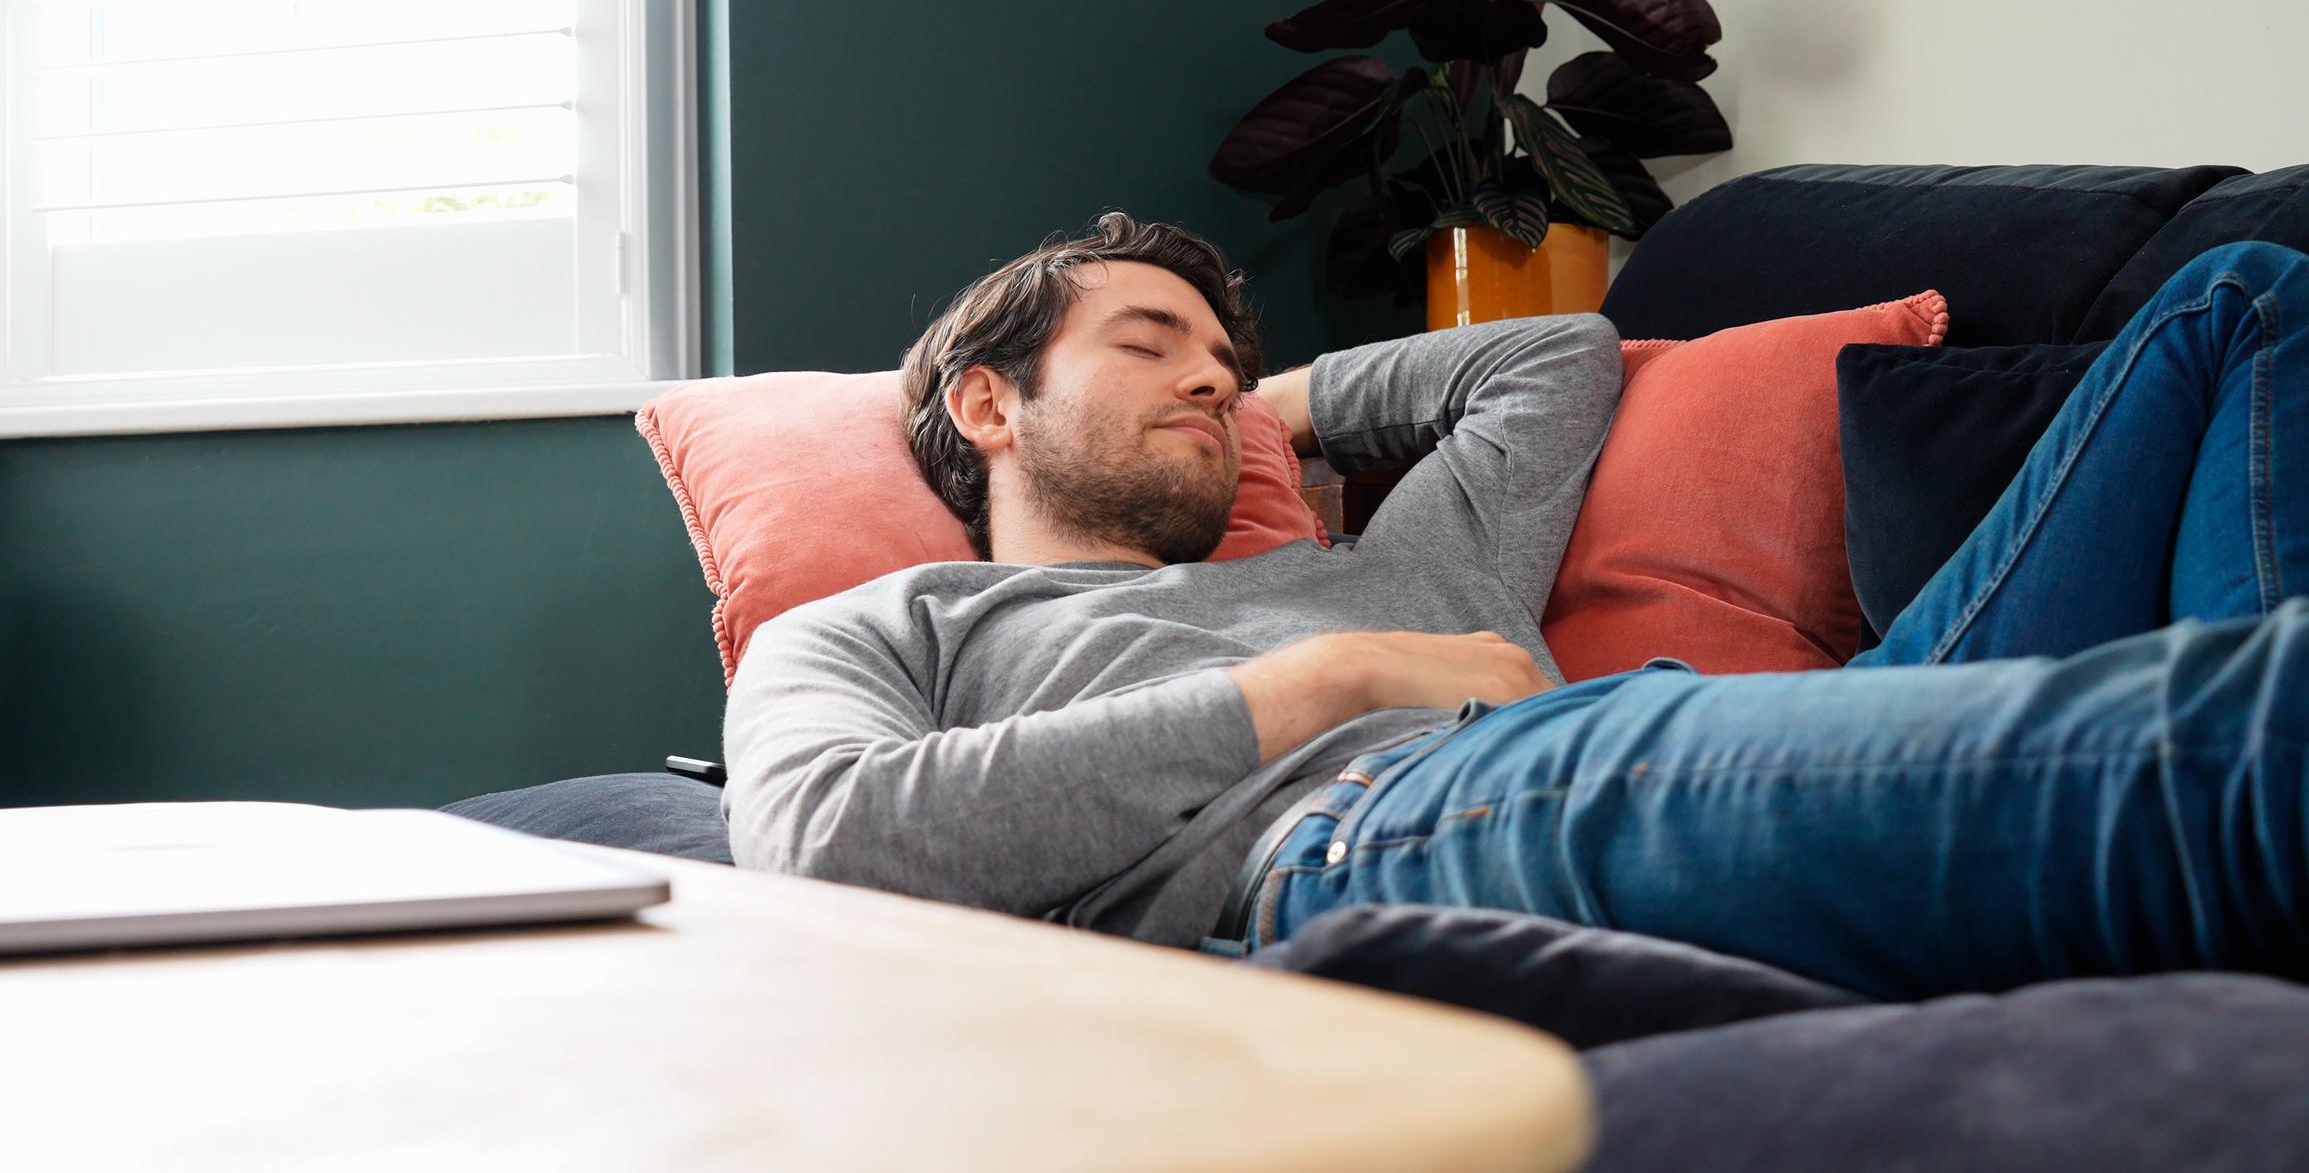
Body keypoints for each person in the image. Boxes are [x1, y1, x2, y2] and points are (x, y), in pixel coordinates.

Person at [721, 213, 2305, 1001]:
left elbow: (1548, 356)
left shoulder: (1402, 557)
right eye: (1145, 341)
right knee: (2243, 737)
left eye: (1217, 350)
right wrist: (1333, 680)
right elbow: (822, 836)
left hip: (1683, 733)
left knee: (2245, 294)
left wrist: (1273, 400)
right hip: (1391, 822)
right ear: (988, 408)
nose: (1201, 369)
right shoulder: (887, 626)